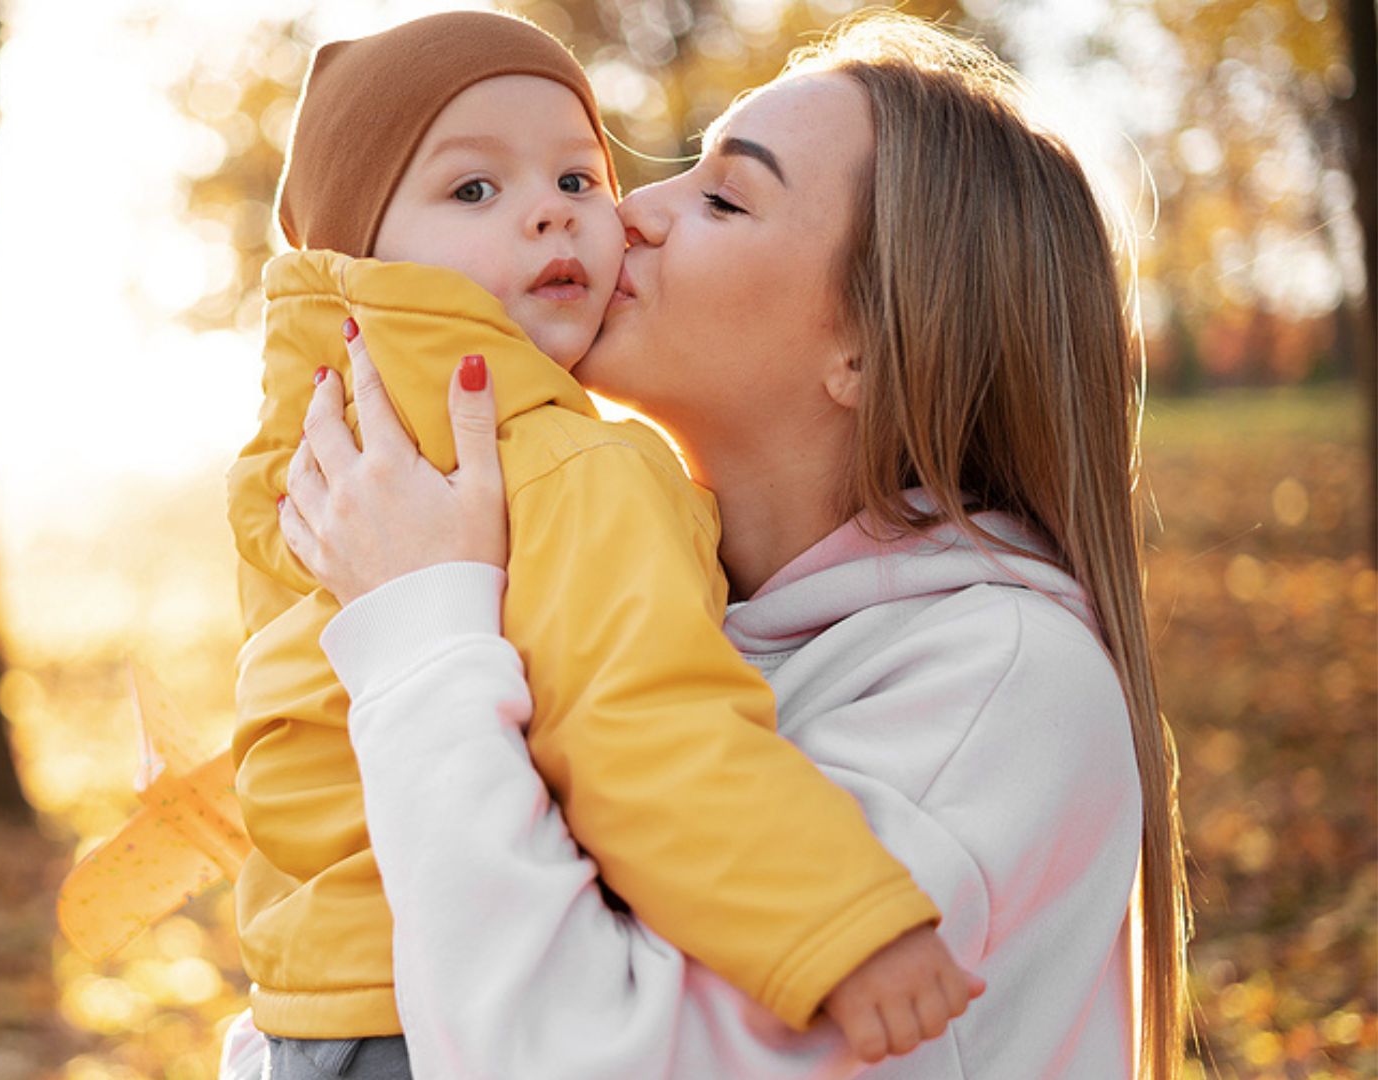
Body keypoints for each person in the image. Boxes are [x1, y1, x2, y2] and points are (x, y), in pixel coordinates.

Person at [261, 11, 1188, 1080]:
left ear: (868, 345)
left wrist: (422, 638)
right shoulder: (629, 589)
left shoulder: (1009, 682)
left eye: (722, 197)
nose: (624, 212)